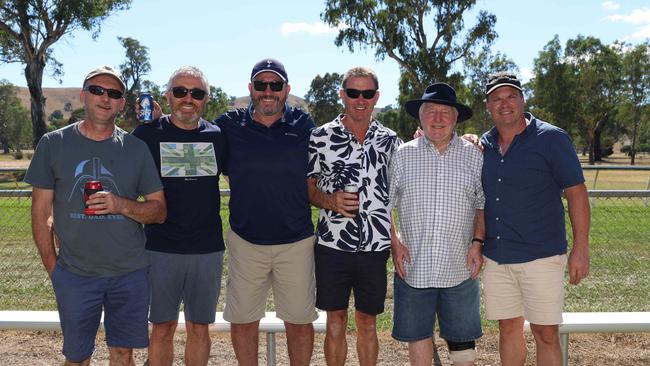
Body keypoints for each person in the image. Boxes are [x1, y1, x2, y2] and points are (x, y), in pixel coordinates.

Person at [25, 66, 166, 366]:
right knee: (77, 357)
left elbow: (158, 210)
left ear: (122, 104)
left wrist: (121, 205)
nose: (105, 98)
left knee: (123, 354)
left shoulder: (136, 149)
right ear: (83, 95)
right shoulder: (53, 144)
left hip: (129, 274)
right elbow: (40, 216)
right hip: (75, 275)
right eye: (97, 90)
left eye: (114, 94)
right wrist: (56, 271)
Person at [480, 72, 590, 366]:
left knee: (546, 333)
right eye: (497, 98)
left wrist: (581, 248)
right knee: (508, 328)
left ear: (522, 99)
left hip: (541, 255)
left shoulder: (551, 138)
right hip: (497, 256)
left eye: (511, 96)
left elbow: (577, 193)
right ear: (488, 105)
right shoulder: (483, 145)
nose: (505, 104)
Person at [214, 58, 317, 366]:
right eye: (261, 85)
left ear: (286, 90)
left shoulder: (304, 124)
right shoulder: (228, 125)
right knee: (244, 321)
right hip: (246, 240)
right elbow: (192, 140)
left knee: (299, 322)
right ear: (251, 89)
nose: (268, 91)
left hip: (296, 241)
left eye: (275, 85)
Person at [132, 66, 227, 366]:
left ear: (206, 99)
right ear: (168, 95)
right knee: (162, 329)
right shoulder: (147, 134)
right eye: (180, 91)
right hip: (161, 248)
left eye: (197, 93)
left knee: (200, 328)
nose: (188, 98)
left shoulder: (218, 136)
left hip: (207, 249)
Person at [307, 67, 402, 366]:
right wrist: (331, 201)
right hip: (333, 245)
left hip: (375, 247)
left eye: (367, 93)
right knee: (335, 320)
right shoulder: (321, 137)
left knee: (367, 323)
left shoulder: (390, 140)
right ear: (342, 94)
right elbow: (307, 188)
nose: (360, 99)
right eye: (353, 93)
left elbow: (397, 193)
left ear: (376, 97)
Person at [389, 82, 485, 366]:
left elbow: (482, 203)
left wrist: (477, 244)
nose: (438, 118)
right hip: (414, 266)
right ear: (420, 117)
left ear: (457, 118)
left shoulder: (474, 155)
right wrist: (395, 243)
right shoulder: (403, 155)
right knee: (418, 337)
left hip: (459, 266)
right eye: (431, 111)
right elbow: (385, 206)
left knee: (463, 347)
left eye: (446, 112)